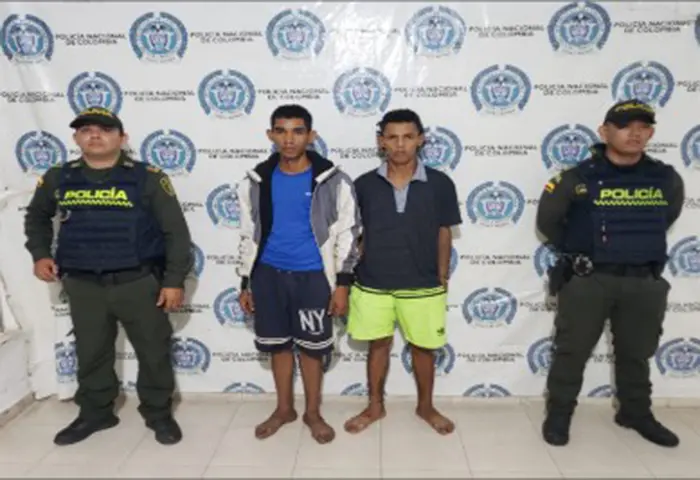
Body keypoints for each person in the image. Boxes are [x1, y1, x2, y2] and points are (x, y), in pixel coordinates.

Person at [24, 107, 192, 446]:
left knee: (153, 352)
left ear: (122, 138)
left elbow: (175, 232)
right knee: (91, 353)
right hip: (83, 284)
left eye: (104, 129)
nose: (95, 135)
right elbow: (36, 217)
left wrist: (174, 280)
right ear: (76, 138)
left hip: (138, 282)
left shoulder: (147, 177)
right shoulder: (59, 177)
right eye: (86, 130)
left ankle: (158, 413)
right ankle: (96, 412)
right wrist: (40, 253)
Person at [536, 99, 685, 447]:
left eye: (643, 127)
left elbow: (667, 217)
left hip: (643, 280)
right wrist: (584, 252)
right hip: (589, 281)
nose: (635, 133)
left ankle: (635, 413)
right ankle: (559, 415)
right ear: (604, 132)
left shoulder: (665, 178)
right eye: (624, 126)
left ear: (651, 133)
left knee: (637, 353)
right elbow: (549, 223)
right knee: (572, 351)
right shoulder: (576, 179)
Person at [236, 104, 361, 444]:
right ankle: (284, 409)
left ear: (311, 135)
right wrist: (246, 281)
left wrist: (342, 284)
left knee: (311, 348)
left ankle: (313, 413)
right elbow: (248, 235)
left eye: (297, 131)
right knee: (277, 346)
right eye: (281, 131)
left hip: (313, 278)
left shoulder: (333, 181)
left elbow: (349, 234)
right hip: (268, 276)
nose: (289, 139)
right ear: (270, 135)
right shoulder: (256, 181)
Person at [343, 109, 462, 436]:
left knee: (424, 348)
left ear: (420, 139)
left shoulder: (440, 183)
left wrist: (442, 275)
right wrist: (351, 273)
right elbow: (356, 235)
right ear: (380, 141)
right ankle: (374, 406)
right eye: (392, 137)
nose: (400, 144)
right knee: (377, 346)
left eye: (408, 137)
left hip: (423, 282)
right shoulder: (364, 184)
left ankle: (426, 407)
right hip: (372, 282)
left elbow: (444, 231)